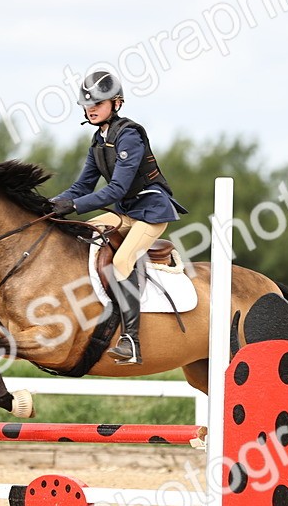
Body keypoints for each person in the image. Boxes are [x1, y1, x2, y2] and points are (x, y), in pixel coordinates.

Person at [49, 70, 187, 366]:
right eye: (88, 105)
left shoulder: (129, 136)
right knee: (84, 234)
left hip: (150, 211)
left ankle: (131, 341)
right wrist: (50, 205)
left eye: (99, 103)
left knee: (123, 261)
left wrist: (73, 205)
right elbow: (82, 186)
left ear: (117, 103)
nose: (92, 109)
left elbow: (116, 189)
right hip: (125, 212)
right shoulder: (98, 141)